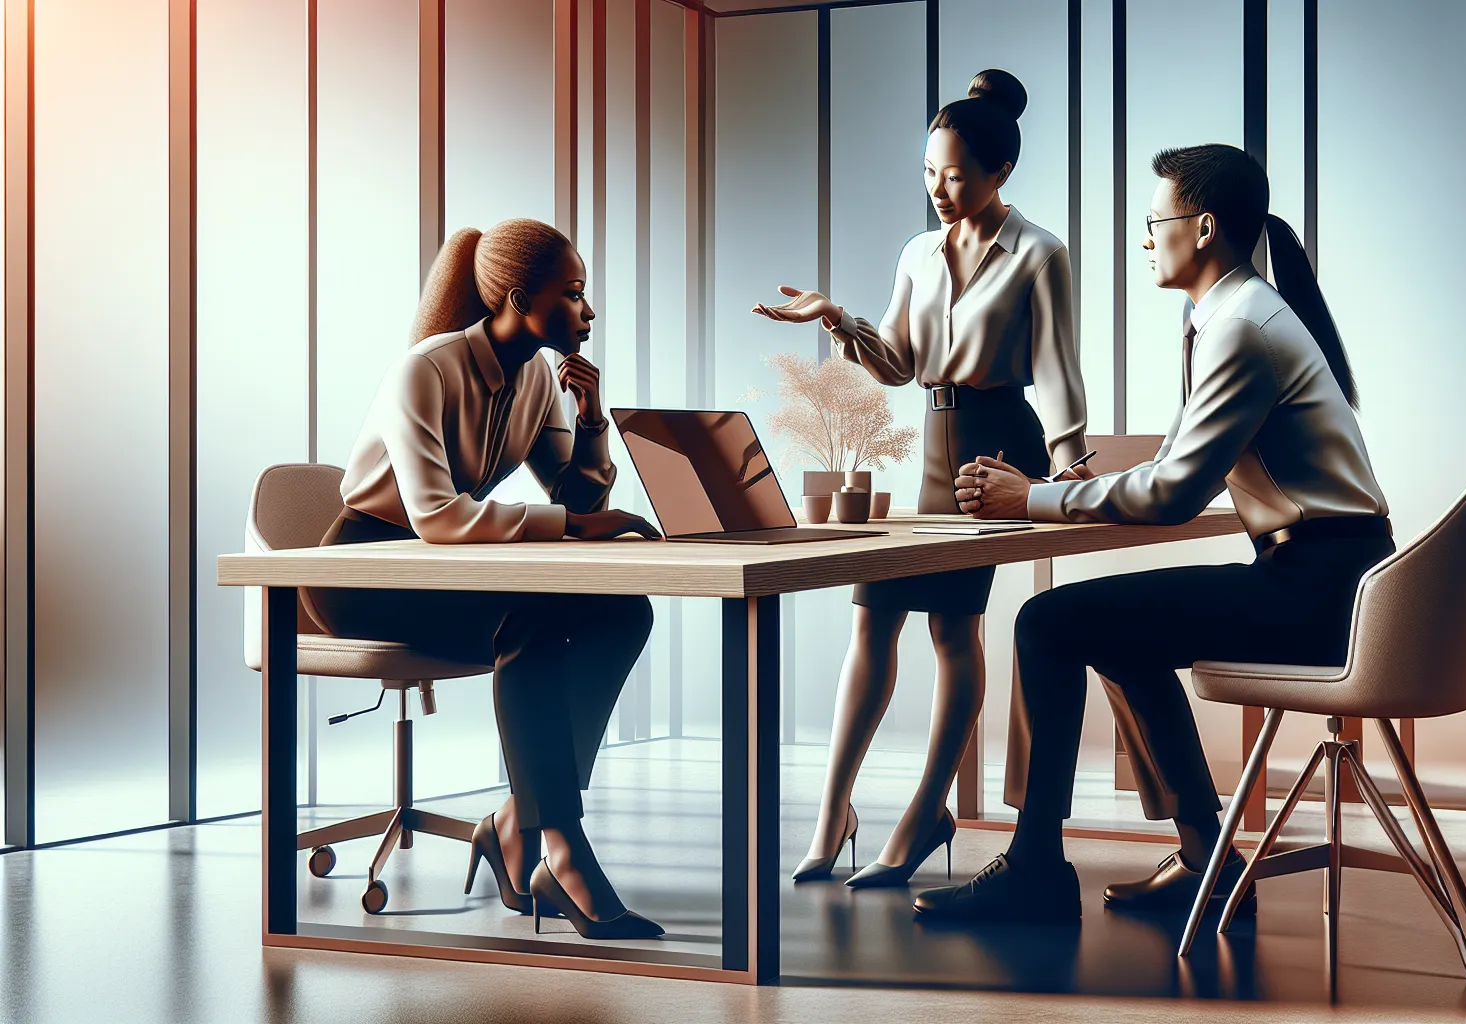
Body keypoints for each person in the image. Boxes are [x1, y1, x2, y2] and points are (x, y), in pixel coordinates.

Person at [914, 144, 1393, 924]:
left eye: (1152, 222)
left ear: (1202, 228)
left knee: (1047, 622)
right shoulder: (1235, 313)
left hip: (1318, 591)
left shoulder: (1241, 327)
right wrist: (1078, 486)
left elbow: (1172, 494)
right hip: (1331, 576)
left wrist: (1030, 495)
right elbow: (1180, 458)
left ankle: (1037, 868)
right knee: (1115, 631)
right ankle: (1206, 855)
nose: (1144, 238)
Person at [752, 69, 1088, 887]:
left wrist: (1071, 462)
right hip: (931, 438)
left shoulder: (1039, 254)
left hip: (999, 445)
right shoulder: (918, 252)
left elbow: (1057, 372)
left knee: (952, 630)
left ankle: (926, 809)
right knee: (874, 616)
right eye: (931, 173)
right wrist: (838, 318)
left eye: (958, 175)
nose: (941, 189)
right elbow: (898, 367)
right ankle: (834, 811)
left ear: (1000, 171)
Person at [302, 219, 666, 939]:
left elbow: (576, 501)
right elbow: (435, 516)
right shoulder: (426, 370)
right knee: (532, 617)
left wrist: (592, 424)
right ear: (514, 296)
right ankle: (558, 846)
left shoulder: (534, 377)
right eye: (572, 293)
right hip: (364, 573)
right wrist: (575, 526)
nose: (588, 311)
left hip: (448, 565)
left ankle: (514, 818)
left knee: (622, 610)